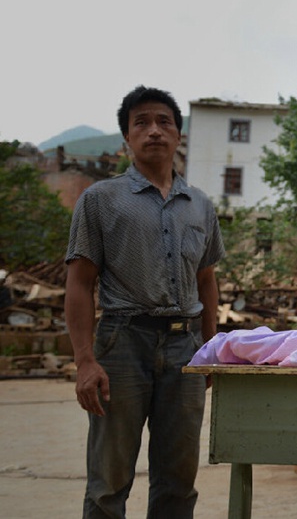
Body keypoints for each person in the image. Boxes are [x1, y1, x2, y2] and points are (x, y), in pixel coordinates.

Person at [64, 85, 225, 518]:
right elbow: (79, 284)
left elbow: (206, 280)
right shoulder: (100, 200)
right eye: (142, 123)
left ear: (177, 135)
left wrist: (209, 348)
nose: (154, 130)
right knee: (108, 482)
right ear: (126, 139)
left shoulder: (200, 205)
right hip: (122, 344)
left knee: (177, 482)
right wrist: (84, 361)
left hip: (185, 348)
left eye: (164, 122)